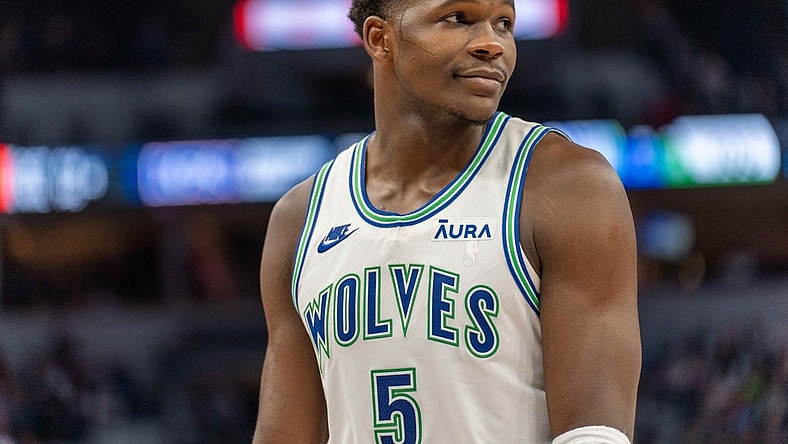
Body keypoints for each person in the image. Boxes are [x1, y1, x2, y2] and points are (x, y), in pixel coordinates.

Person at [252, 0, 641, 442]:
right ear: (380, 39)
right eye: (458, 19)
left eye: (504, 23)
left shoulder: (568, 187)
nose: (492, 44)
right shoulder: (301, 218)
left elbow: (595, 434)